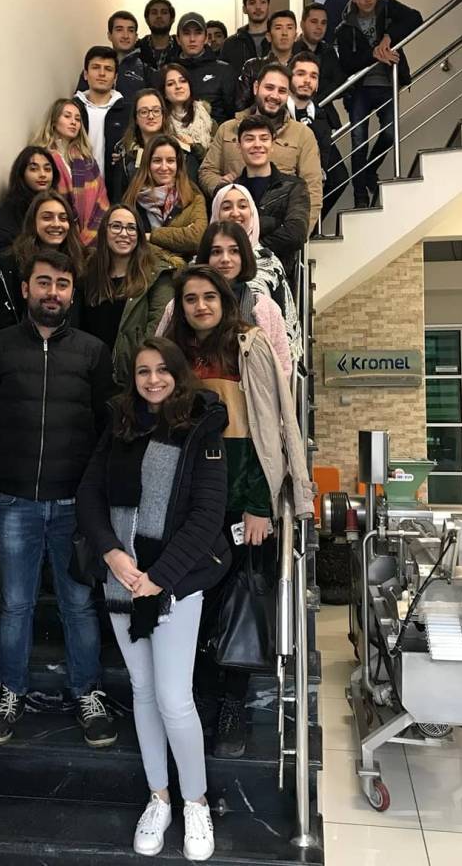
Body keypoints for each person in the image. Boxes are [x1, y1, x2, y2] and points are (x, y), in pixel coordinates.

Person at [77, 337, 229, 860]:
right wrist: (113, 555)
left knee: (173, 697)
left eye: (163, 369)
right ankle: (159, 797)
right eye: (143, 371)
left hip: (173, 583)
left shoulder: (202, 425)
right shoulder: (121, 423)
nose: (153, 380)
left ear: (179, 373)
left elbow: (208, 515)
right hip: (121, 579)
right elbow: (89, 495)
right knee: (142, 690)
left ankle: (195, 802)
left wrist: (158, 577)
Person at [164, 266, 313, 758]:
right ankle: (193, 702)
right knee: (192, 609)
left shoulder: (250, 345)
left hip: (239, 499)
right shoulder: (170, 354)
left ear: (225, 300)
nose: (200, 306)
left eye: (209, 296)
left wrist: (257, 505)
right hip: (185, 501)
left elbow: (267, 427)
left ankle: (233, 706)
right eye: (190, 298)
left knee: (236, 608)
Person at [0, 250, 116, 747]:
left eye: (62, 284)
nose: (53, 292)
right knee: (15, 605)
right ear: (26, 288)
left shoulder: (94, 352)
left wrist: (98, 498)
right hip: (14, 503)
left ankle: (88, 694)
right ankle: (10, 692)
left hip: (76, 506)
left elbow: (107, 431)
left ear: (73, 293)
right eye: (44, 282)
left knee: (78, 604)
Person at [199, 62, 323, 233]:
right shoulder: (227, 129)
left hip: (279, 234)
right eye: (269, 88)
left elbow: (313, 191)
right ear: (256, 87)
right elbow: (207, 170)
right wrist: (222, 188)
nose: (274, 95)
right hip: (233, 231)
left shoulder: (303, 135)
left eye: (282, 91)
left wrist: (299, 235)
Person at [156, 221, 292, 377]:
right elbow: (159, 356)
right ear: (206, 257)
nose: (225, 259)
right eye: (216, 252)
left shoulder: (264, 307)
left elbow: (282, 369)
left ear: (245, 256)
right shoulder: (177, 305)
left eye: (234, 251)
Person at [334, 0, 422, 206]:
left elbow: (416, 18)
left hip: (387, 83)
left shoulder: (388, 7)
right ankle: (360, 196)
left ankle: (370, 170)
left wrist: (388, 37)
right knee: (358, 142)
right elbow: (347, 65)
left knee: (391, 133)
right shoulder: (344, 28)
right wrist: (373, 55)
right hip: (360, 89)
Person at [81, 206, 174, 386]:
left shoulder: (157, 276)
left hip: (134, 380)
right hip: (90, 378)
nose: (124, 233)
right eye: (116, 226)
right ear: (104, 231)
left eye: (131, 228)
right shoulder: (89, 274)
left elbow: (158, 332)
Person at [210, 183, 303, 363]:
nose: (235, 213)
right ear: (216, 214)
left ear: (252, 213)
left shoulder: (269, 263)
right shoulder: (200, 265)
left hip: (259, 364)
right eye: (226, 207)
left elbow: (284, 331)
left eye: (242, 206)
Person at [0, 146, 59, 330]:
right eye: (34, 168)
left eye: (47, 168)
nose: (42, 174)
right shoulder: (9, 214)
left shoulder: (56, 207)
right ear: (21, 174)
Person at [0, 191, 87, 334]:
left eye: (63, 218)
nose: (56, 224)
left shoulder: (81, 263)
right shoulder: (10, 265)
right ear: (33, 222)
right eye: (47, 217)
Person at [233, 114, 310, 275]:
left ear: (273, 144)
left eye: (264, 139)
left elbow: (295, 234)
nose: (257, 145)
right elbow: (223, 234)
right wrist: (272, 223)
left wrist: (250, 250)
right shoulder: (230, 191)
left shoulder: (294, 186)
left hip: (278, 273)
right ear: (239, 146)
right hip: (236, 273)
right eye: (249, 139)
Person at [31, 98, 110, 246]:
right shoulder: (42, 157)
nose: (73, 122)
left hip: (90, 238)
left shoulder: (87, 160)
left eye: (77, 119)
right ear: (54, 121)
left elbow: (101, 198)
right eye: (67, 116)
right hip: (55, 233)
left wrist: (86, 236)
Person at [123, 133, 207, 268]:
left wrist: (151, 236)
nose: (164, 167)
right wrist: (180, 237)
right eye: (157, 161)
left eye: (170, 161)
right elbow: (129, 240)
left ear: (178, 164)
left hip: (183, 272)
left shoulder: (193, 197)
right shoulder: (132, 198)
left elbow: (197, 238)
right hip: (143, 270)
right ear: (147, 164)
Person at [289, 52, 346, 230]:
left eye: (313, 76)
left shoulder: (321, 118)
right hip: (282, 196)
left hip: (309, 198)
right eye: (301, 74)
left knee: (339, 178)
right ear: (288, 77)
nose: (307, 80)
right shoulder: (276, 112)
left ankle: (312, 230)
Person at [110, 88, 200, 197]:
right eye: (144, 112)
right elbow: (119, 199)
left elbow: (193, 195)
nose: (151, 116)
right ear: (136, 118)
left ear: (163, 115)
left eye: (156, 111)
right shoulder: (125, 157)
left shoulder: (182, 152)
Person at [154, 13, 235, 124]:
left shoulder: (224, 71)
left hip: (216, 132)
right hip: (173, 132)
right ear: (178, 39)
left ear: (206, 38)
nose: (192, 39)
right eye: (186, 33)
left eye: (198, 33)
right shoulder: (165, 74)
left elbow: (232, 115)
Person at [74, 45, 128, 192]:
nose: (102, 73)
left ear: (115, 77)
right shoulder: (72, 110)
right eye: (96, 67)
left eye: (108, 69)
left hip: (115, 193)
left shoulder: (128, 113)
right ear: (85, 74)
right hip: (77, 191)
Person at [76, 10, 148, 102]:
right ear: (109, 35)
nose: (125, 36)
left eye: (130, 30)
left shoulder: (145, 70)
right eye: (119, 30)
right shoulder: (94, 67)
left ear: (136, 37)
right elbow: (78, 103)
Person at [235, 9, 298, 111]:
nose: (284, 33)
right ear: (268, 36)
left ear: (295, 36)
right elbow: (240, 105)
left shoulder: (302, 69)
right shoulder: (252, 66)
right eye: (278, 28)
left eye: (289, 28)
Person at [294, 2, 346, 111]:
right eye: (314, 22)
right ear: (302, 24)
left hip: (324, 110)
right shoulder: (292, 50)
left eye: (323, 23)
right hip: (297, 111)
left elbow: (339, 82)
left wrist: (318, 98)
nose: (319, 27)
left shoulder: (329, 51)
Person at [162, 62, 214, 157]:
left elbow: (214, 159)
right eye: (170, 84)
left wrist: (194, 146)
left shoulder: (207, 119)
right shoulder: (159, 123)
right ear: (164, 92)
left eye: (183, 81)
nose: (178, 86)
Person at [221, 0, 271, 77]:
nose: (258, 7)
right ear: (244, 9)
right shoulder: (230, 44)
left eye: (263, 2)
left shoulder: (278, 38)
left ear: (268, 6)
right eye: (252, 3)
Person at [138, 0, 181, 70]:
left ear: (172, 19)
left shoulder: (182, 48)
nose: (159, 16)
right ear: (147, 19)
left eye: (164, 12)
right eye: (154, 13)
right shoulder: (137, 50)